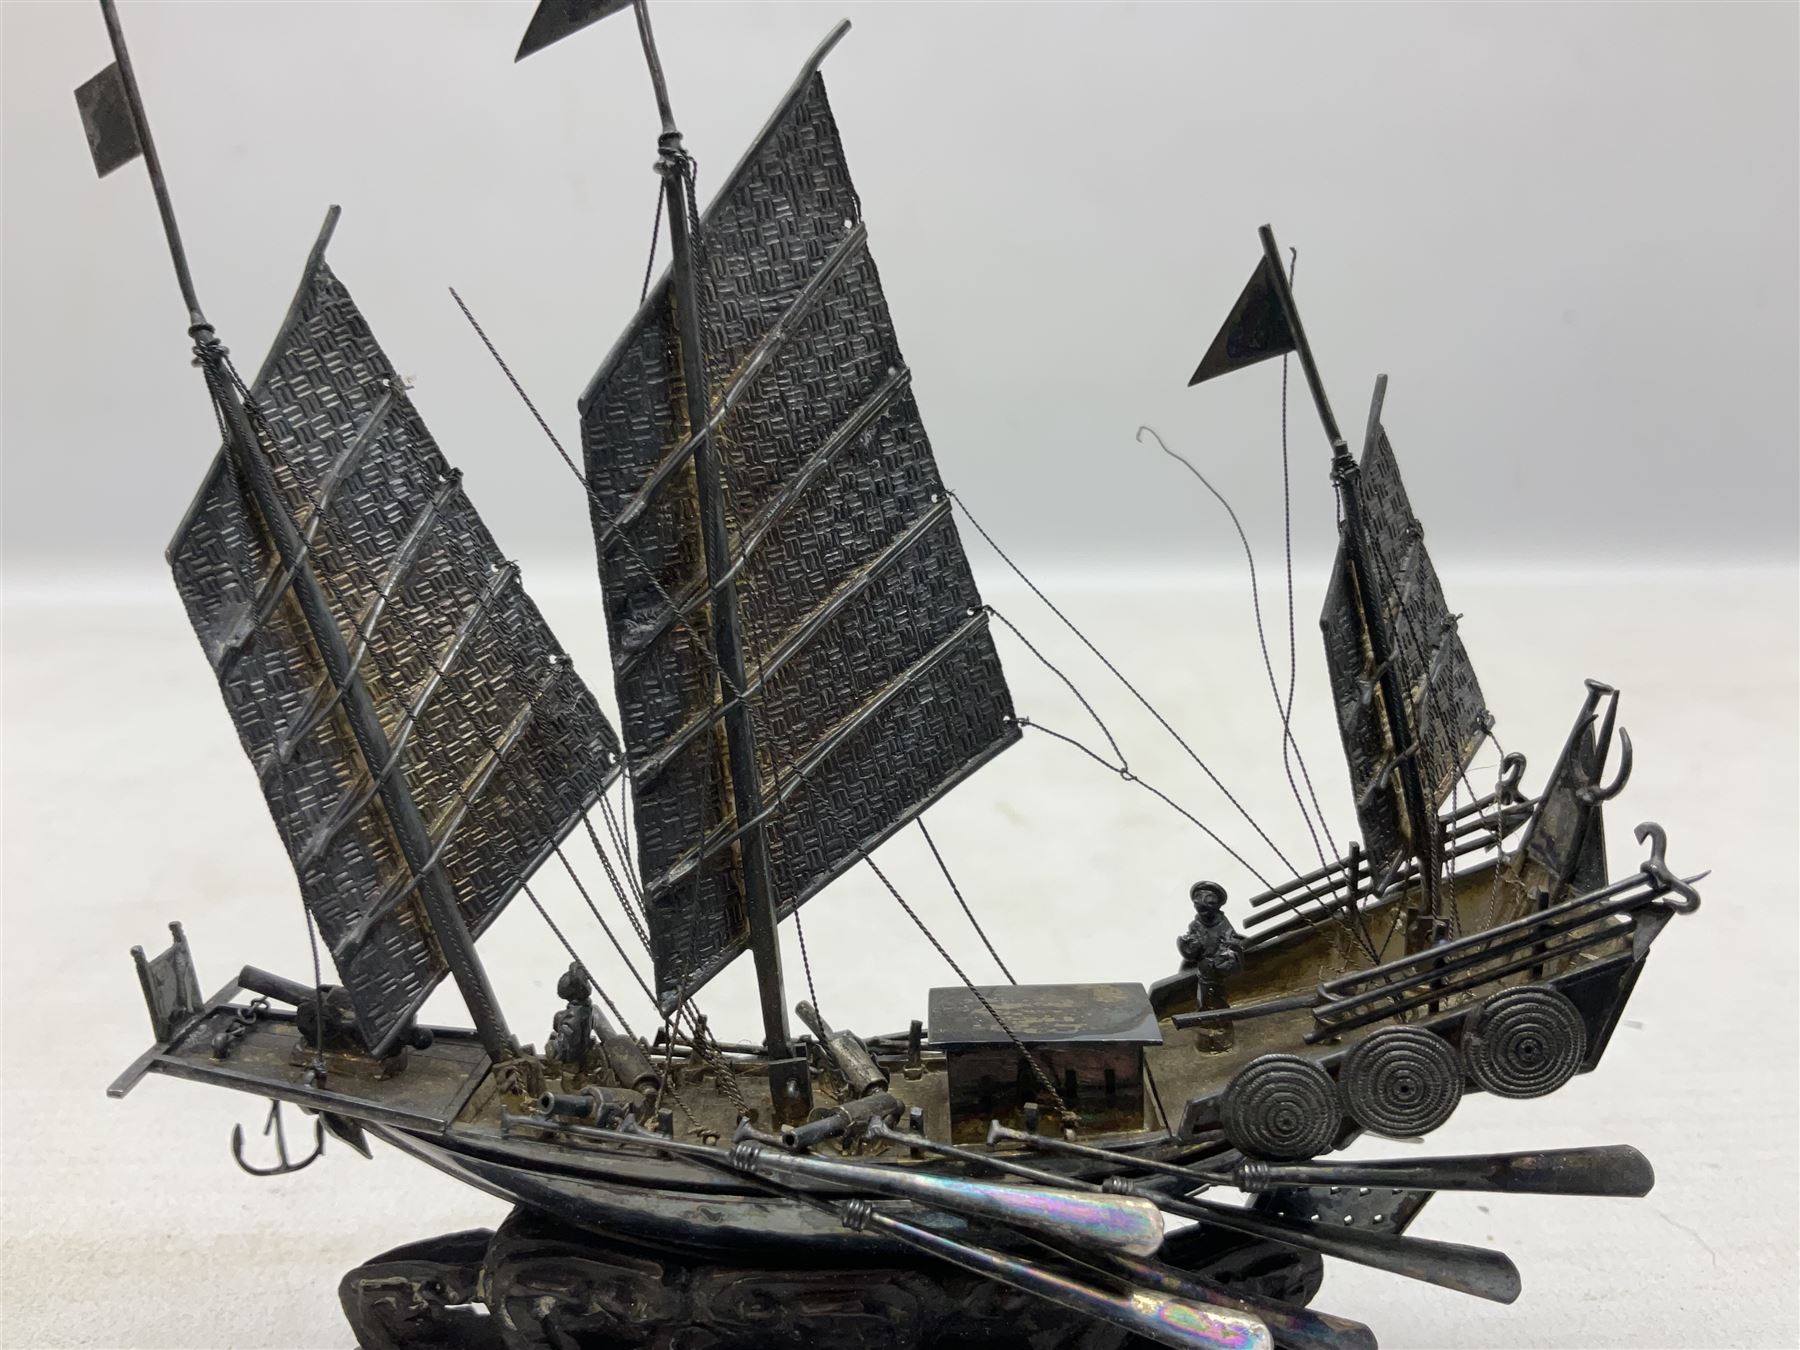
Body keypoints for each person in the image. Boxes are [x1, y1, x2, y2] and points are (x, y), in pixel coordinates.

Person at [1177, 881, 1244, 1051]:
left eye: (1209, 900)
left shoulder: (1223, 924)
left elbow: (1230, 942)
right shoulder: (1196, 924)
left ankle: (1223, 1032)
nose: (1202, 903)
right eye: (1198, 900)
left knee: (1219, 1002)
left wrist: (1225, 954)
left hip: (1217, 971)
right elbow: (1192, 949)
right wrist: (1190, 944)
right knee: (1204, 1002)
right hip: (1204, 972)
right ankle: (1208, 1033)